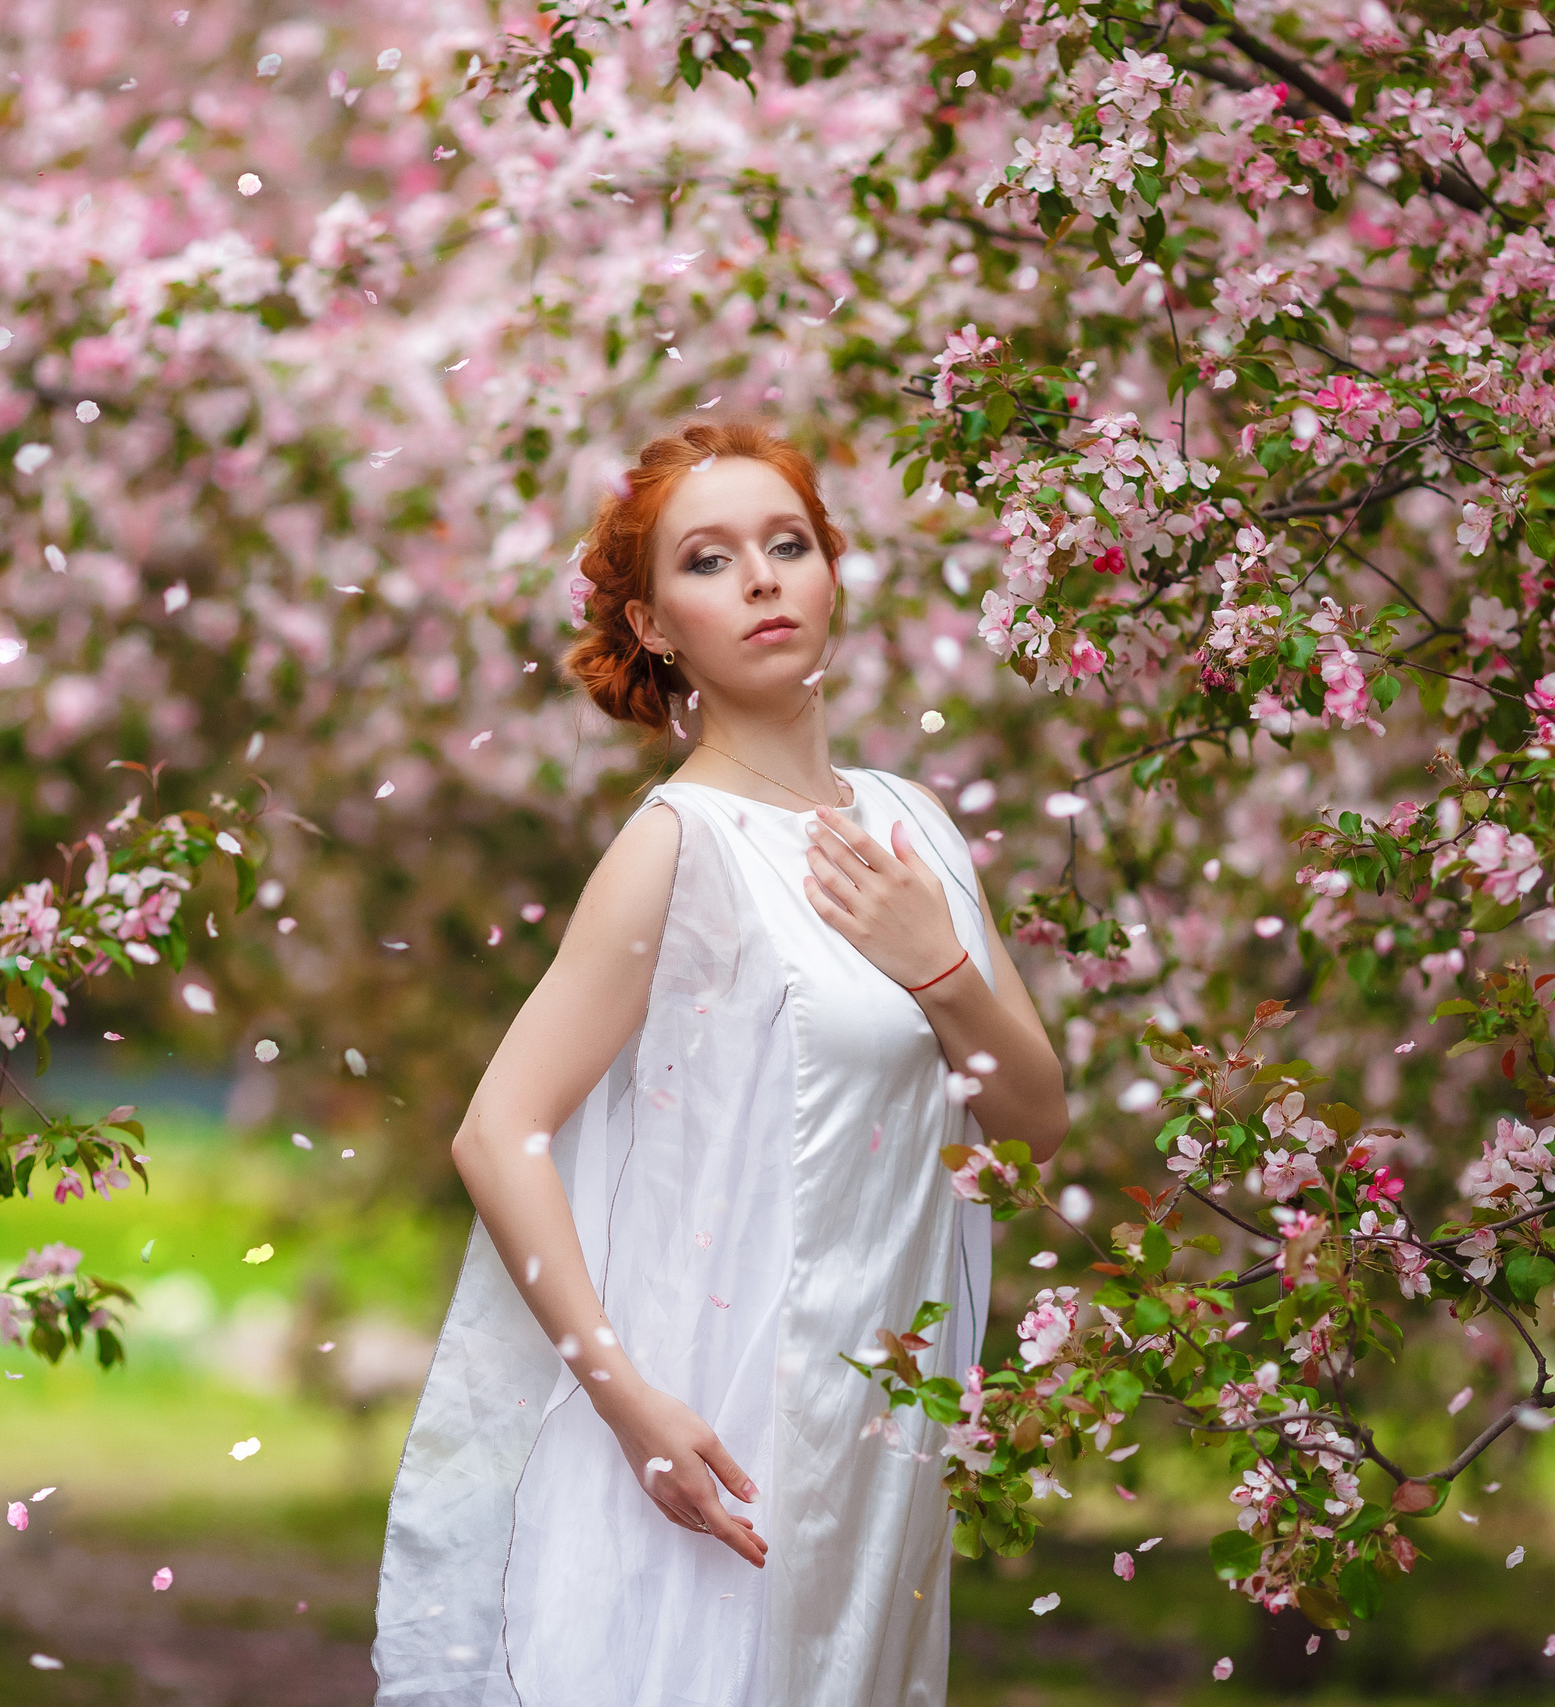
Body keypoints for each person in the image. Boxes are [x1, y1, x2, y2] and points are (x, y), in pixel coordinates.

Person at [371, 421, 1066, 1705]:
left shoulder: (912, 825)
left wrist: (940, 970)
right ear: (652, 625)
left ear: (831, 576)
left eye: (787, 544)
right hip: (716, 1425)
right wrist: (627, 1404)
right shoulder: (678, 843)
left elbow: (1028, 1119)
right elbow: (497, 1131)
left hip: (879, 1430)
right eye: (710, 560)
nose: (760, 579)